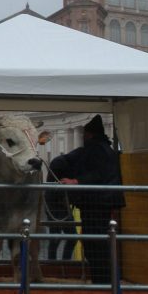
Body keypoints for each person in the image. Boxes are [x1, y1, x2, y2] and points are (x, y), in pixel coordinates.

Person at [56, 114, 125, 284]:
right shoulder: (105, 149)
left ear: (89, 134)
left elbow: (97, 173)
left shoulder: (96, 150)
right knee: (99, 243)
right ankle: (103, 281)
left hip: (96, 202)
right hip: (102, 202)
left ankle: (101, 282)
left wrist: (76, 181)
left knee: (95, 245)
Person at [45, 156, 77, 261]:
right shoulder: (62, 164)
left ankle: (55, 264)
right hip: (58, 205)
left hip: (56, 204)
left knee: (56, 237)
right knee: (68, 237)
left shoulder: (59, 163)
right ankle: (63, 263)